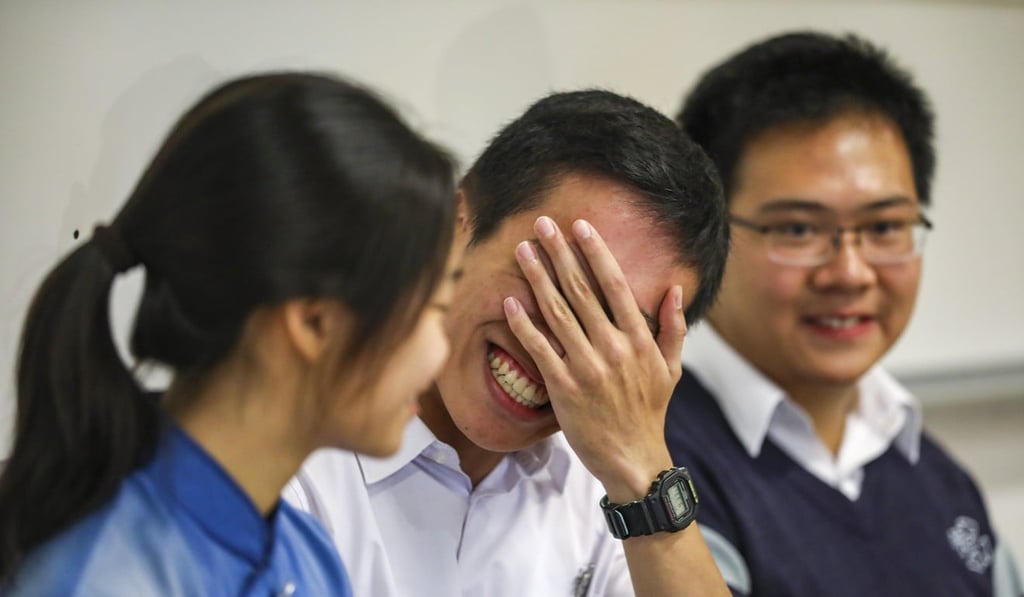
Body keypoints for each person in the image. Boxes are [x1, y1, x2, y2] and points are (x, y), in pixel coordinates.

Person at [0, 72, 459, 596]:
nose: (439, 355)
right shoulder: (104, 579)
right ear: (314, 322)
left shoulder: (306, 552)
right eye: (434, 308)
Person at [285, 89, 733, 596]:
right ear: (455, 226)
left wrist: (643, 476)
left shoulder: (607, 490)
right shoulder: (287, 439)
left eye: (613, 328)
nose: (554, 341)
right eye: (553, 280)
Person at [665, 31, 1023, 596]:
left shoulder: (935, 475)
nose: (851, 272)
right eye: (799, 230)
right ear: (703, 235)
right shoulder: (650, 466)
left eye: (884, 227)